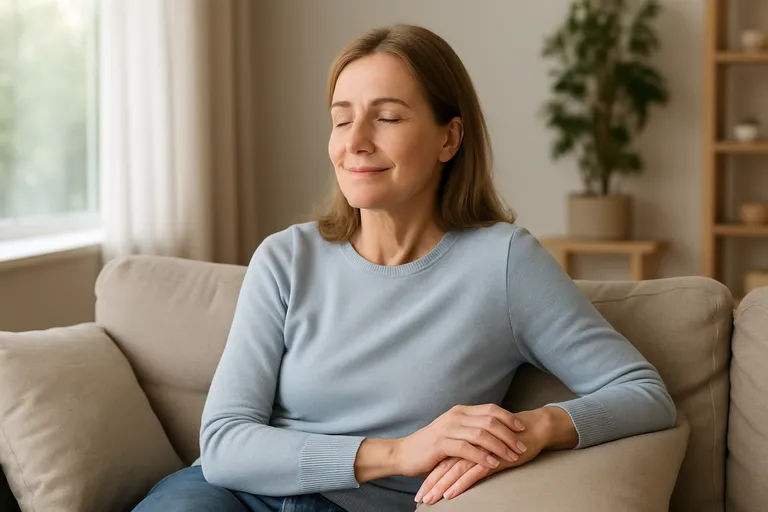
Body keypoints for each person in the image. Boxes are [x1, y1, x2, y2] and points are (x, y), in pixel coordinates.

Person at [133, 24, 676, 512]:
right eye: (341, 119)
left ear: (449, 138)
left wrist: (536, 428)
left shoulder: (503, 263)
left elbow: (643, 393)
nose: (355, 142)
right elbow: (225, 445)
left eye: (387, 117)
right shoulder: (285, 258)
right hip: (222, 495)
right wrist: (400, 452)